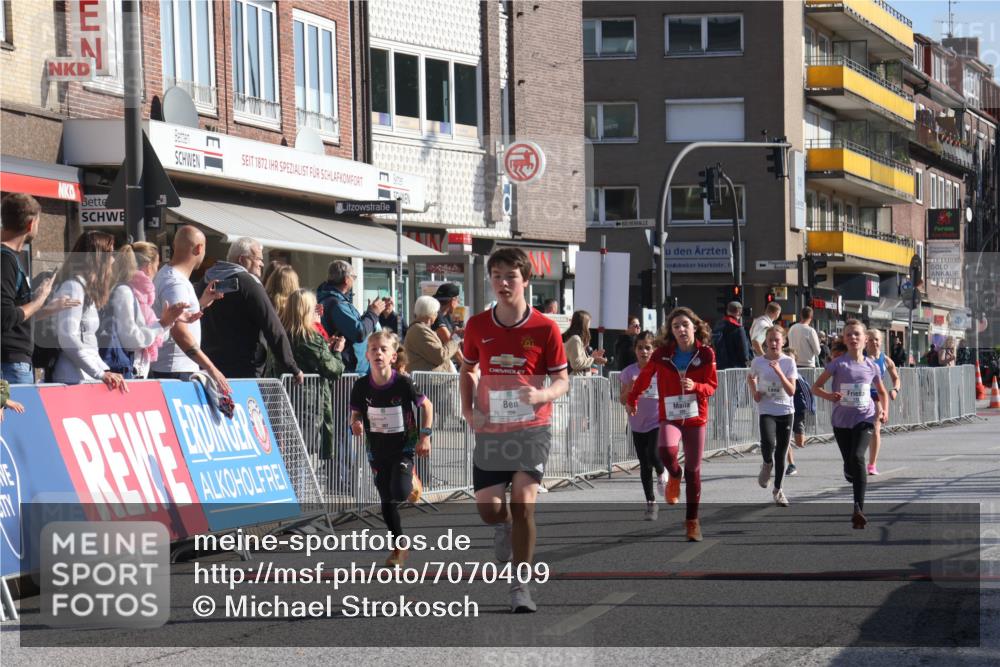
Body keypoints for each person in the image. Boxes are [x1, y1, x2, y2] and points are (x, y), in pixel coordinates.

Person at [460, 247, 569, 613]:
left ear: (526, 281)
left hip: (532, 428)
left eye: (510, 276)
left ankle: (520, 586)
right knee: (490, 510)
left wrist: (542, 394)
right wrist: (468, 406)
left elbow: (563, 380)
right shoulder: (477, 325)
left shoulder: (545, 327)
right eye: (496, 276)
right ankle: (502, 525)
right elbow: (468, 369)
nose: (503, 283)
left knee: (524, 503)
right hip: (492, 429)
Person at [627, 307, 718, 543]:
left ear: (694, 327)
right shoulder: (662, 355)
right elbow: (645, 377)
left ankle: (692, 522)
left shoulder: (706, 354)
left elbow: (712, 386)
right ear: (672, 331)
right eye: (676, 326)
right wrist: (633, 398)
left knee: (694, 470)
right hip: (670, 415)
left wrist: (696, 386)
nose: (680, 329)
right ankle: (674, 476)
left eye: (685, 325)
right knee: (665, 451)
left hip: (696, 417)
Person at [350, 331, 433, 567]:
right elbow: (355, 413)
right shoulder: (361, 386)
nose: (378, 352)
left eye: (383, 349)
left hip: (403, 446)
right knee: (386, 500)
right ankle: (399, 548)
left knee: (399, 491)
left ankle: (412, 479)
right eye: (373, 348)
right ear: (367, 355)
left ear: (393, 356)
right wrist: (355, 423)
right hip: (376, 449)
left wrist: (425, 436)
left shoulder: (404, 382)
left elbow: (427, 406)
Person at [811, 320, 888, 529]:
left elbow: (881, 391)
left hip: (865, 418)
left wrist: (884, 410)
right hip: (841, 421)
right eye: (849, 335)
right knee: (849, 463)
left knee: (857, 457)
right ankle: (848, 470)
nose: (853, 338)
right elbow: (815, 387)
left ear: (865, 339)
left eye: (856, 334)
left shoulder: (871, 365)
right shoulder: (838, 364)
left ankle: (858, 509)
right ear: (845, 340)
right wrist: (829, 395)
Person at [198, 237, 302, 382]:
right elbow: (272, 326)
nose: (261, 263)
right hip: (244, 370)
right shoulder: (248, 283)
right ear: (242, 259)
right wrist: (292, 367)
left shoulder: (204, 281)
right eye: (258, 258)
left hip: (209, 367)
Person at [1, 193, 78, 384]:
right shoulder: (5, 259)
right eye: (38, 222)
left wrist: (45, 307)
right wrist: (38, 301)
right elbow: (5, 317)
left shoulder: (8, 258)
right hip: (10, 364)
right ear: (30, 225)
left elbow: (15, 317)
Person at [150, 226, 230, 392]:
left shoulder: (168, 275)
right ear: (199, 248)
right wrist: (211, 368)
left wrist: (200, 303)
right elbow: (179, 332)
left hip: (174, 367)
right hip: (175, 370)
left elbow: (176, 318)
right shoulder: (176, 283)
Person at [48, 231, 126, 391]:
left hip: (83, 375)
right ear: (98, 259)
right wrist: (100, 373)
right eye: (109, 254)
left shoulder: (82, 288)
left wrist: (103, 370)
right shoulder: (73, 287)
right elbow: (68, 336)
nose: (112, 260)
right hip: (72, 378)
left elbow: (88, 342)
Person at [280, 289, 346, 460]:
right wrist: (337, 352)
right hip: (308, 405)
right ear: (307, 311)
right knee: (303, 459)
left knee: (290, 456)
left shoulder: (282, 334)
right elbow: (334, 369)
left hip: (284, 400)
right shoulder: (309, 337)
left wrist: (324, 342)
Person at [108, 245, 193, 379]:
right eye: (157, 266)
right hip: (123, 373)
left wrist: (168, 321)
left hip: (135, 372)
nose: (157, 271)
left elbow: (153, 336)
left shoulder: (142, 296)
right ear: (148, 266)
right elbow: (131, 340)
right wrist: (162, 323)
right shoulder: (124, 292)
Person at [618, 330, 667, 519]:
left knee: (653, 454)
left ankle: (662, 472)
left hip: (657, 420)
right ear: (635, 350)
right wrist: (630, 389)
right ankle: (651, 503)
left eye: (648, 348)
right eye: (640, 348)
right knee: (644, 464)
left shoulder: (660, 369)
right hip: (637, 423)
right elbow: (622, 399)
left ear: (654, 349)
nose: (644, 352)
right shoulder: (628, 371)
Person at [748, 326, 797, 507]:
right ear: (765, 342)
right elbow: (750, 377)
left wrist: (779, 372)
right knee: (768, 443)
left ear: (783, 342)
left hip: (785, 411)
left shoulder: (788, 362)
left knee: (782, 453)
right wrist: (755, 392)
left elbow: (791, 391)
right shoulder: (758, 362)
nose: (774, 343)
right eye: (770, 340)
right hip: (767, 409)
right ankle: (766, 464)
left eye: (777, 340)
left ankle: (778, 490)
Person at [316, 260, 385, 374]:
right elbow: (359, 332)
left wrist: (368, 314)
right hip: (344, 369)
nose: (354, 281)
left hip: (342, 367)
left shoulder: (331, 300)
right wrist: (373, 313)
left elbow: (353, 327)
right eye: (354, 277)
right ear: (346, 280)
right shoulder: (336, 304)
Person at [864, 329, 900, 476]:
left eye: (877, 339)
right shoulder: (860, 357)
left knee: (875, 428)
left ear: (881, 341)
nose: (874, 342)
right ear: (866, 341)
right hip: (860, 396)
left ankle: (872, 464)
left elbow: (896, 378)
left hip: (877, 396)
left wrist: (895, 390)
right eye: (871, 340)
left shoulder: (885, 359)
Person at [403, 295, 461, 373]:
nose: (437, 315)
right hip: (430, 383)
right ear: (431, 313)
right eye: (436, 312)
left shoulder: (420, 329)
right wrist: (456, 338)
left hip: (432, 381)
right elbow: (440, 356)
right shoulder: (420, 330)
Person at [563, 310, 606, 375]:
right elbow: (576, 364)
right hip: (575, 381)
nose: (589, 326)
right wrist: (593, 360)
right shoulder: (575, 339)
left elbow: (578, 361)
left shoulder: (575, 339)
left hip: (578, 380)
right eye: (588, 322)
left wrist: (591, 357)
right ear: (584, 324)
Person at [432, 283, 464, 368]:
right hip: (441, 366)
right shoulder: (436, 317)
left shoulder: (447, 316)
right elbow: (451, 341)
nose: (459, 303)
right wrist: (466, 366)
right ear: (453, 300)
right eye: (458, 300)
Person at [712, 301, 752, 370]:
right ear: (739, 312)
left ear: (727, 311)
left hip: (720, 367)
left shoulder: (717, 326)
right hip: (735, 368)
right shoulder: (738, 329)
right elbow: (744, 353)